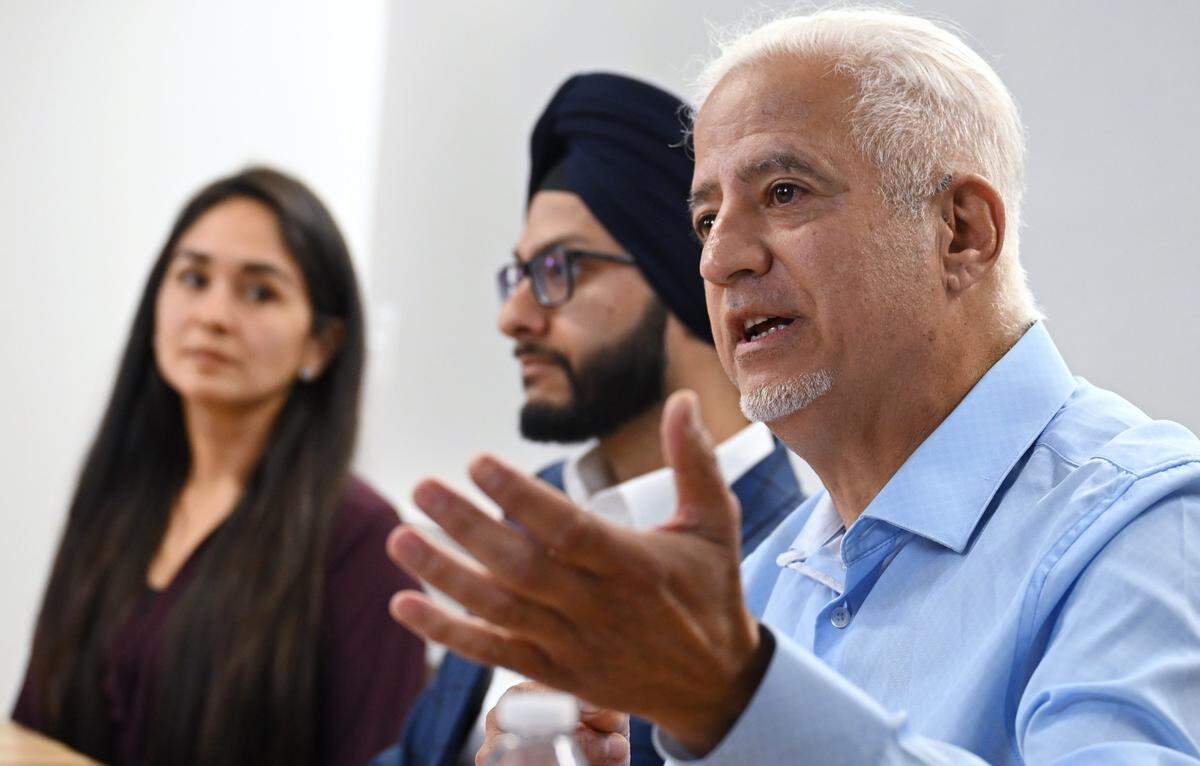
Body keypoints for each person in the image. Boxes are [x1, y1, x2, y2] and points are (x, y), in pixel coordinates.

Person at [385, 8, 1200, 766]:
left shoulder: (1152, 525)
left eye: (784, 193)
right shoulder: (765, 583)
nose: (717, 259)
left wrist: (741, 702)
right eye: (706, 218)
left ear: (962, 231)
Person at [371, 73, 807, 766]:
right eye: (519, 277)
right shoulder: (533, 510)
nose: (514, 317)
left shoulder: (806, 562)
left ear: (682, 266)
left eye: (558, 268)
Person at [13, 167, 425, 766]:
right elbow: (33, 729)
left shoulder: (364, 543)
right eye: (193, 278)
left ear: (322, 345)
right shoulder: (119, 491)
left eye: (259, 292)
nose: (212, 315)